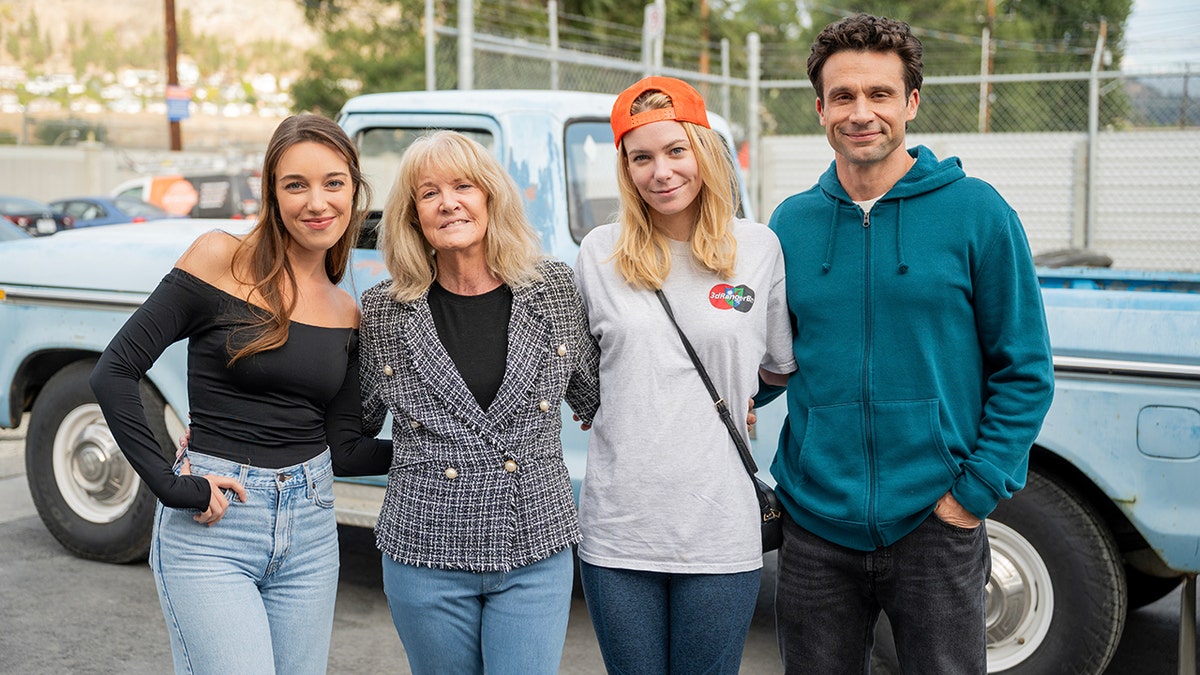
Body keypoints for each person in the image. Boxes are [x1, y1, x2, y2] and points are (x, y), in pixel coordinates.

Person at [762, 14, 1055, 673]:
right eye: (843, 96)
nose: (861, 112)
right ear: (820, 109)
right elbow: (773, 357)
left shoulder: (977, 212)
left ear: (911, 102)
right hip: (814, 526)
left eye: (880, 94)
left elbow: (1025, 369)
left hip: (935, 523)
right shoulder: (792, 224)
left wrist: (973, 493)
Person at [90, 114, 389, 674]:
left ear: (354, 191)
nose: (317, 202)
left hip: (311, 529)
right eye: (295, 185)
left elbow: (345, 449)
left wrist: (444, 446)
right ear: (272, 195)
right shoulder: (220, 259)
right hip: (216, 523)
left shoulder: (347, 310)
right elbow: (115, 371)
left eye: (333, 182)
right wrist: (170, 485)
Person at [572, 76, 796, 674]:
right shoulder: (598, 253)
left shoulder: (759, 248)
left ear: (704, 152)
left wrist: (735, 396)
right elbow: (585, 372)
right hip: (620, 528)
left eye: (676, 150)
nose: (661, 171)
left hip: (720, 526)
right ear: (626, 169)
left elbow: (778, 368)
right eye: (641, 157)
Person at [357, 129, 601, 675]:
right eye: (429, 193)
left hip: (536, 545)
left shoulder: (553, 288)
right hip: (424, 549)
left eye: (463, 186)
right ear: (413, 215)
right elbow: (352, 423)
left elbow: (600, 395)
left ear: (491, 196)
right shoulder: (384, 311)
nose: (448, 203)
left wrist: (727, 395)